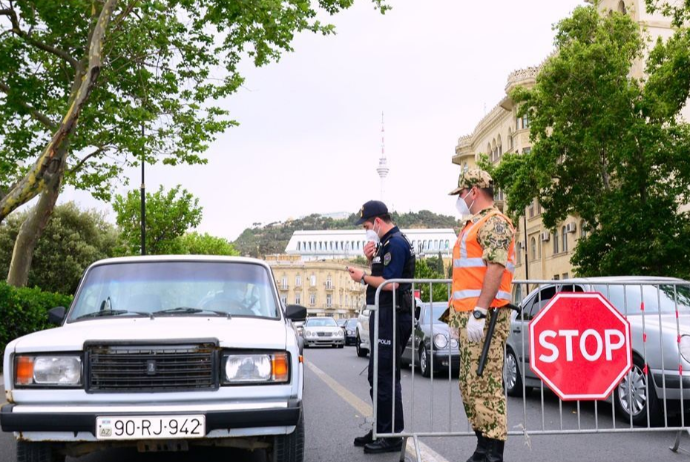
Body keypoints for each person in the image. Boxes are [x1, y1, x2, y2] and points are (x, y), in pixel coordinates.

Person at [446, 168, 516, 462]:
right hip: (468, 319)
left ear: (473, 191)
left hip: (486, 319)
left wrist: (478, 312)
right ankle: (482, 446)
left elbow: (495, 269)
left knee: (486, 386)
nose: (459, 199)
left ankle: (492, 453)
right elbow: (465, 277)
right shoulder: (472, 226)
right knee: (470, 386)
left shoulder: (494, 223)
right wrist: (455, 318)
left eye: (461, 193)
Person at [347, 200, 415, 455]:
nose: (366, 230)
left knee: (386, 375)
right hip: (384, 314)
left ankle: (391, 435)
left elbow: (391, 283)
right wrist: (370, 260)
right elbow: (382, 275)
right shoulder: (384, 245)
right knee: (377, 375)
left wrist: (362, 277)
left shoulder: (395, 243)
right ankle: (381, 428)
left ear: (377, 221)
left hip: (394, 315)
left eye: (366, 225)